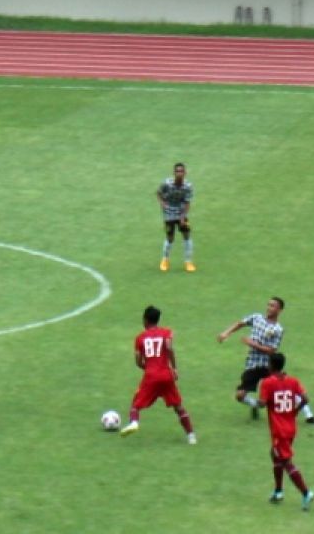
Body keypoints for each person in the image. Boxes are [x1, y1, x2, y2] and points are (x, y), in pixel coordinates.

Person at [218, 297, 314, 423]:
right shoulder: (256, 318)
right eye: (269, 305)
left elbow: (272, 350)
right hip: (253, 364)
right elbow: (240, 323)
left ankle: (309, 415)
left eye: (273, 306)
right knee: (240, 396)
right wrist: (226, 333)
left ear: (280, 310)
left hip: (269, 365)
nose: (269, 308)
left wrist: (252, 343)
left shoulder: (278, 329)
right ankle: (255, 406)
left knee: (287, 387)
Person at [118, 305, 196, 444]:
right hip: (166, 375)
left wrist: (148, 368)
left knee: (136, 404)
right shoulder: (167, 332)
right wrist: (174, 368)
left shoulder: (140, 338)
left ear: (145, 320)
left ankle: (134, 422)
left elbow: (138, 361)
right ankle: (191, 436)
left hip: (151, 375)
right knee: (178, 406)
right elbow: (169, 348)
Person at [259, 353, 314, 511]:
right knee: (274, 454)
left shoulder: (267, 383)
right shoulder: (293, 381)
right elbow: (305, 398)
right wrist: (295, 411)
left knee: (285, 462)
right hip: (291, 427)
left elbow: (262, 403)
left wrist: (250, 401)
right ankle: (278, 491)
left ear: (271, 365)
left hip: (279, 430)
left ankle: (306, 492)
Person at [156, 163, 195, 272]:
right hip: (168, 213)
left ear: (185, 173)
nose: (179, 173)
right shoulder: (167, 184)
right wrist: (162, 203)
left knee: (186, 234)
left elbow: (187, 202)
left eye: (181, 171)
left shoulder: (188, 186)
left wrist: (183, 216)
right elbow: (158, 193)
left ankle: (188, 261)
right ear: (174, 173)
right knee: (170, 237)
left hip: (181, 211)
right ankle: (165, 260)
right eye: (177, 171)